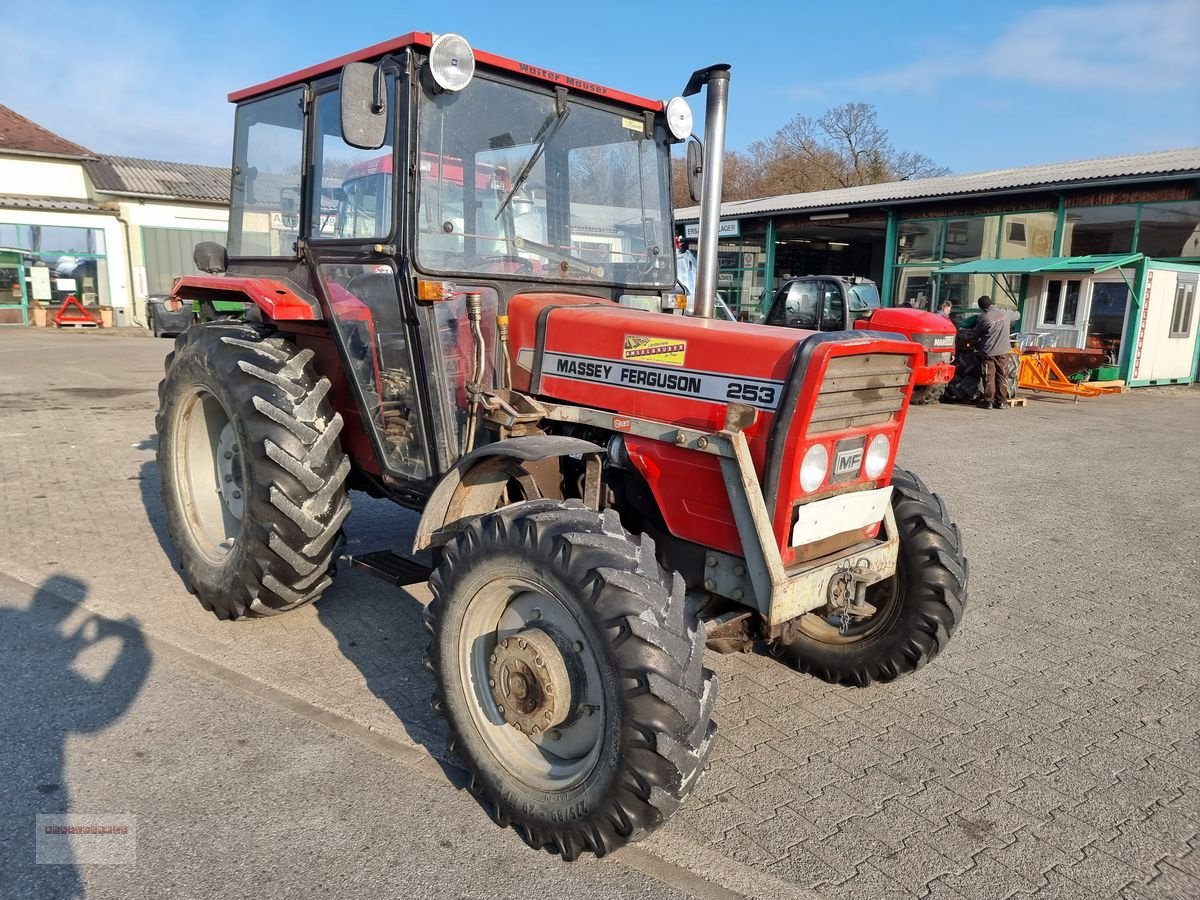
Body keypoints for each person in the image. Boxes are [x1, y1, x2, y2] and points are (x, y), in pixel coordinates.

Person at [970, 296, 1012, 409]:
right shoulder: (1005, 313)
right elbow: (1017, 315)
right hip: (1003, 351)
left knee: (989, 376)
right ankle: (1002, 402)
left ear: (982, 307)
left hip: (989, 352)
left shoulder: (983, 317)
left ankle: (988, 401)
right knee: (1002, 375)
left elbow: (975, 336)